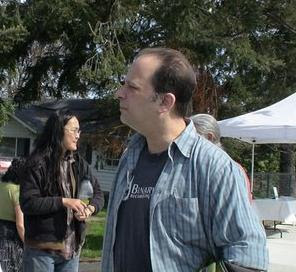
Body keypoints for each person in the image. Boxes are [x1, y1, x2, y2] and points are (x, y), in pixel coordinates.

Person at [101, 47, 268, 272]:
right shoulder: (129, 158)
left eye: (132, 87)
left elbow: (248, 260)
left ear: (165, 102)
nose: (119, 93)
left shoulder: (215, 168)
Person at [20, 110, 104, 272]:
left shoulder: (79, 163)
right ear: (59, 131)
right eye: (74, 130)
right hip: (42, 251)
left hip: (71, 249)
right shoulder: (37, 163)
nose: (78, 135)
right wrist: (63, 201)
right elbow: (28, 203)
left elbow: (98, 194)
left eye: (79, 130)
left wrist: (89, 209)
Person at [190, 113, 253, 202]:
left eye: (194, 139)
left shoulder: (228, 169)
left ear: (209, 137)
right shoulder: (200, 167)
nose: (188, 144)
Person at [0, 158, 26, 272]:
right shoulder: (17, 192)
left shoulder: (1, 186)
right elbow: (20, 224)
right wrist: (28, 243)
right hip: (11, 239)